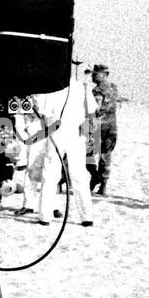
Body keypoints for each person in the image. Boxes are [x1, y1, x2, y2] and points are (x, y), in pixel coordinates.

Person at [31, 67, 95, 227]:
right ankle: (85, 217)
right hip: (68, 133)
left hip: (64, 132)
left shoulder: (56, 86)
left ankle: (46, 216)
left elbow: (41, 109)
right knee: (74, 174)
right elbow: (92, 110)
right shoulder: (80, 86)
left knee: (54, 173)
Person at [89, 63, 119, 196]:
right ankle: (103, 186)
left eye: (96, 73)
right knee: (106, 156)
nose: (93, 76)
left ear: (104, 75)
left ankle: (95, 177)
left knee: (88, 155)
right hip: (112, 127)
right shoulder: (114, 88)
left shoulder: (97, 91)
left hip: (98, 127)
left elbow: (97, 110)